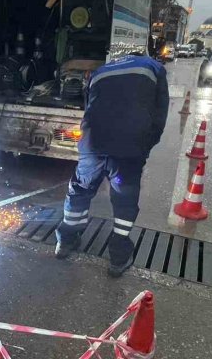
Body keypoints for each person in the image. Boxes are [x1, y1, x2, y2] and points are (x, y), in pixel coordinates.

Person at [55, 53, 169, 277]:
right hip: (128, 145)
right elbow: (159, 113)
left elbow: (90, 107)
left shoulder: (101, 71)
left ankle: (65, 241)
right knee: (124, 198)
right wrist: (144, 146)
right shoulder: (154, 68)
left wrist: (89, 143)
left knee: (80, 190)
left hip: (93, 143)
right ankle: (118, 257)